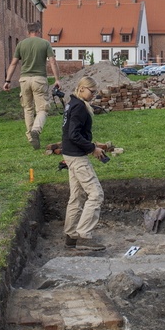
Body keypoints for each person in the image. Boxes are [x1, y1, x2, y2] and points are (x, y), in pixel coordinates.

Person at [60, 76, 108, 251]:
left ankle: (71, 236)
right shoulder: (79, 107)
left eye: (95, 92)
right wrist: (92, 148)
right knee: (96, 194)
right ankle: (83, 235)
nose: (93, 95)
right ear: (81, 89)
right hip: (77, 157)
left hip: (71, 154)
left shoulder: (72, 103)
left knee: (77, 196)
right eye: (91, 91)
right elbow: (74, 134)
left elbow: (69, 133)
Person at [3, 21, 61, 149]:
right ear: (39, 31)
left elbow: (13, 64)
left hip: (24, 80)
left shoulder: (21, 44)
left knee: (28, 108)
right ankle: (36, 129)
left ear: (28, 32)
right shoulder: (45, 43)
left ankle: (31, 138)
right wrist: (57, 79)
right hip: (39, 79)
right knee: (43, 109)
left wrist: (7, 81)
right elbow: (52, 61)